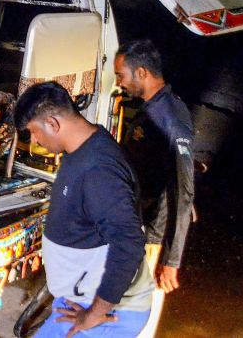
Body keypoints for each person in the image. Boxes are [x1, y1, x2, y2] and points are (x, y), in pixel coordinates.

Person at [15, 82, 154, 337]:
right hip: (77, 298)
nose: (34, 140)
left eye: (34, 132)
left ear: (53, 123)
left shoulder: (99, 170)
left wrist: (97, 312)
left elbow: (129, 241)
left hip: (107, 314)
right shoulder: (83, 148)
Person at [115, 39, 195, 294]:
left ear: (141, 73)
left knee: (135, 303)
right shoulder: (154, 108)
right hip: (138, 220)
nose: (119, 83)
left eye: (120, 75)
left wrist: (171, 260)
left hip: (152, 233)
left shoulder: (170, 118)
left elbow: (183, 191)